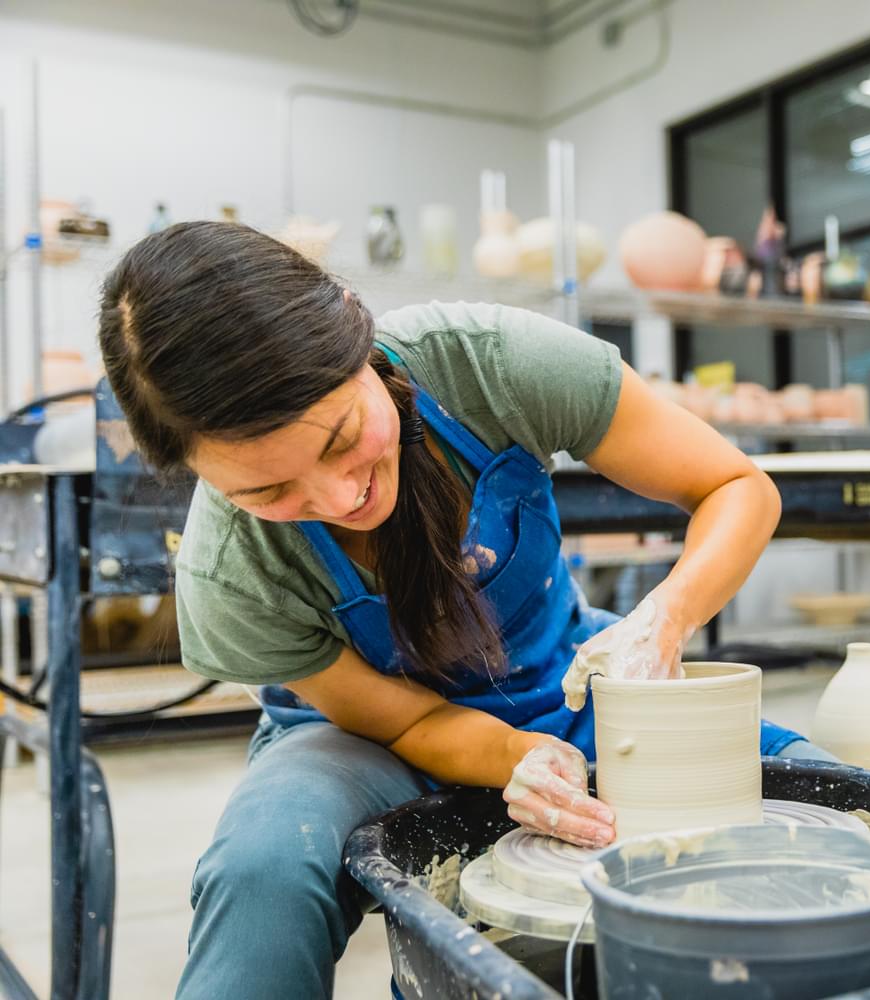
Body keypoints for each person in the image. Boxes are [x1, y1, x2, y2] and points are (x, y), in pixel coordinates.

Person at [98, 221, 831, 1000]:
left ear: (353, 324)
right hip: (358, 740)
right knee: (265, 865)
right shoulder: (228, 569)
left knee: (834, 798)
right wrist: (513, 757)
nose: (341, 498)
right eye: (268, 493)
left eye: (341, 437)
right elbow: (411, 726)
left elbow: (735, 488)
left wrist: (665, 617)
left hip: (563, 692)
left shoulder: (490, 365)